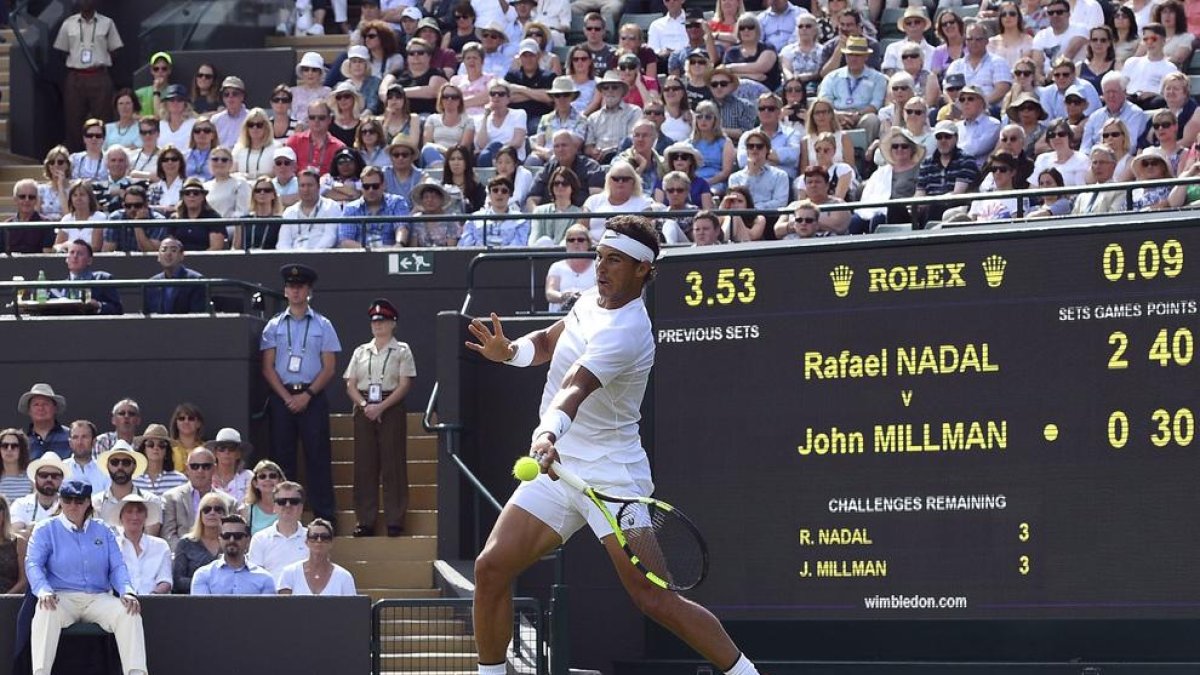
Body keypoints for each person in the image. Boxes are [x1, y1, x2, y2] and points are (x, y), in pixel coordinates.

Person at [466, 215, 764, 675]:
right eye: (601, 257)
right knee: (490, 569)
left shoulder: (628, 331)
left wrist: (546, 434)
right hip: (558, 469)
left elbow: (574, 386)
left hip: (610, 476)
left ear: (643, 270)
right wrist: (509, 352)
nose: (602, 268)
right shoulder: (587, 300)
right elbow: (547, 344)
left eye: (616, 261)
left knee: (653, 598)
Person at [27, 480, 146, 675]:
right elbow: (33, 564)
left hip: (98, 598)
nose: (73, 505)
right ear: (60, 501)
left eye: (79, 500)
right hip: (61, 597)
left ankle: (136, 673)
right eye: (68, 499)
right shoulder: (45, 528)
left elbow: (117, 566)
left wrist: (127, 591)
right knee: (45, 609)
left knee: (129, 611)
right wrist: (43, 590)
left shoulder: (104, 530)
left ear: (88, 503)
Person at [261, 264, 340, 525]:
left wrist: (307, 394)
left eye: (300, 287)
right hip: (282, 397)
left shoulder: (323, 324)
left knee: (318, 457)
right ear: (285, 291)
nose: (295, 291)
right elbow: (267, 366)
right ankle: (282, 517)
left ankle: (325, 517)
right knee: (282, 460)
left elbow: (329, 367)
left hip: (312, 397)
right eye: (291, 287)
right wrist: (286, 397)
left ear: (309, 291)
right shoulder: (273, 325)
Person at [343, 299, 416, 537]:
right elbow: (350, 384)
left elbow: (405, 383)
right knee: (364, 465)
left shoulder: (402, 350)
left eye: (383, 321)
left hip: (390, 404)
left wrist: (382, 406)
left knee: (393, 463)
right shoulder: (360, 351)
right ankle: (365, 520)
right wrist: (364, 405)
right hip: (364, 405)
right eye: (374, 322)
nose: (378, 326)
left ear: (393, 323)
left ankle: (395, 519)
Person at [53, 0, 124, 150]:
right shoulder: (69, 23)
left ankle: (104, 155)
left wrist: (100, 59)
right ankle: (75, 158)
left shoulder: (107, 23)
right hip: (76, 77)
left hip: (99, 75)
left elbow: (116, 50)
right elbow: (61, 51)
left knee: (104, 118)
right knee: (73, 120)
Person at [160, 447, 234, 550]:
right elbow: (168, 536)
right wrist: (188, 554)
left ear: (214, 469)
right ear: (187, 469)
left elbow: (231, 535)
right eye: (194, 466)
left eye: (206, 466)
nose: (200, 471)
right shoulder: (171, 498)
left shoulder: (229, 502)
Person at [818, 36, 887, 145]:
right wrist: (838, 115)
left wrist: (856, 115)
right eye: (850, 55)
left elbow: (875, 105)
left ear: (866, 57)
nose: (853, 58)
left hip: (862, 115)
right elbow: (824, 102)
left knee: (872, 119)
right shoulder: (832, 77)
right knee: (823, 117)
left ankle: (865, 156)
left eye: (858, 55)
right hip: (836, 115)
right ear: (845, 56)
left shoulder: (878, 78)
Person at [190, 515, 276, 595]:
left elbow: (266, 611)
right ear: (220, 539)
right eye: (226, 536)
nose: (232, 540)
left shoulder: (265, 579)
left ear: (248, 540)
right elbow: (201, 610)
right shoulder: (203, 575)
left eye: (238, 536)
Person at [92, 441, 161, 533]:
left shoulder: (151, 501)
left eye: (126, 462)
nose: (120, 467)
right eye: (114, 462)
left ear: (134, 466)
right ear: (107, 465)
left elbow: (150, 540)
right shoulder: (95, 503)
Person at [245, 480, 309, 580]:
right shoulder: (259, 539)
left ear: (301, 507)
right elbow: (255, 578)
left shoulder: (314, 538)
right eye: (281, 501)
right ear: (274, 507)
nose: (288, 505)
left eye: (294, 501)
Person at [277, 518, 356, 595]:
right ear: (306, 542)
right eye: (314, 537)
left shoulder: (344, 577)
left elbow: (351, 607)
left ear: (331, 543)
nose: (319, 540)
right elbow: (283, 606)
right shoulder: (290, 573)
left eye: (324, 537)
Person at [170, 491, 227, 593]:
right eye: (207, 509)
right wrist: (207, 584)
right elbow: (178, 581)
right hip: (192, 601)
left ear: (225, 514)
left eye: (218, 509)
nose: (212, 513)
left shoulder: (231, 542)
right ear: (200, 515)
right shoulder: (185, 543)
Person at [115, 494, 171, 595]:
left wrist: (152, 597)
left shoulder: (160, 546)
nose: (135, 516)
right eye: (129, 511)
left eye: (139, 511)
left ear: (146, 516)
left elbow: (165, 580)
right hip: (120, 602)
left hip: (155, 603)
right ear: (121, 517)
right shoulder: (112, 546)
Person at [52, 239, 122, 315]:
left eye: (80, 254)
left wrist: (98, 305)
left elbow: (118, 309)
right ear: (66, 259)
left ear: (89, 261)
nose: (75, 256)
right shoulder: (57, 289)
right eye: (72, 252)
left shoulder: (103, 279)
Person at [278, 168, 343, 250]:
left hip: (322, 257)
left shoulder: (331, 207)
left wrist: (311, 255)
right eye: (302, 185)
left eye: (310, 185)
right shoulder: (289, 212)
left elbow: (330, 237)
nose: (306, 189)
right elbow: (283, 242)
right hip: (293, 260)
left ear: (318, 187)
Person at [459, 176, 531, 247]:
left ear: (510, 194)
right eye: (495, 190)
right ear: (489, 194)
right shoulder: (474, 219)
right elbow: (465, 246)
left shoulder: (521, 220)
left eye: (504, 191)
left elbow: (519, 246)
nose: (499, 194)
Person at [728, 129, 789, 211]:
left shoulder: (780, 175)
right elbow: (734, 202)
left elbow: (781, 202)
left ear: (767, 150)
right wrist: (751, 173)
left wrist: (756, 208)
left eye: (759, 146)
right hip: (742, 219)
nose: (754, 149)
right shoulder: (735, 178)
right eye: (750, 146)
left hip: (770, 218)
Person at [143, 236, 206, 314]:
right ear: (158, 257)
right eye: (164, 250)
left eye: (173, 250)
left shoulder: (196, 281)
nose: (168, 253)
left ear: (181, 256)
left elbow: (198, 318)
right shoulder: (150, 285)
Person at [544, 225, 595, 310]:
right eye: (571, 240)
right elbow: (550, 293)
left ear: (588, 243)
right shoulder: (557, 266)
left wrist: (583, 297)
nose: (576, 243)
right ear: (566, 244)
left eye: (580, 240)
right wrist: (564, 296)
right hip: (561, 315)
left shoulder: (597, 266)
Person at [131, 423, 188, 497]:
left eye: (161, 445)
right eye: (150, 444)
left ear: (166, 450)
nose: (156, 448)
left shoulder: (180, 480)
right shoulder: (132, 479)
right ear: (144, 449)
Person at [1071, 143, 1128, 214]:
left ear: (1113, 166)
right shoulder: (1084, 195)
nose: (1097, 166)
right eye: (1094, 163)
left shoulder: (1120, 192)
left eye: (1102, 162)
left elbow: (1113, 218)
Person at [1032, 117, 1090, 186]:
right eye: (1052, 135)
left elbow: (1081, 190)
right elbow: (1033, 186)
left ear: (1069, 136)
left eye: (1061, 134)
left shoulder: (1082, 159)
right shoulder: (1042, 159)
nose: (1057, 138)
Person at [19, 385, 71, 461]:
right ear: (29, 410)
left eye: (45, 404)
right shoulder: (21, 440)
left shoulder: (71, 437)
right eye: (36, 404)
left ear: (55, 408)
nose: (40, 408)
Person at [5, 180, 54, 254]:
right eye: (22, 197)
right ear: (15, 199)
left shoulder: (46, 225)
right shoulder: (6, 226)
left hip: (38, 265)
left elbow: (47, 256)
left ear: (37, 200)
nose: (27, 200)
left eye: (31, 197)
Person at [238, 460, 286, 535]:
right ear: (255, 483)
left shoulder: (289, 506)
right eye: (262, 476)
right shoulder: (246, 510)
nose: (267, 479)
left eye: (272, 476)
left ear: (280, 481)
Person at [407, 182, 461, 246]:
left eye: (434, 197)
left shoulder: (450, 220)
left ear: (441, 199)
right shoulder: (416, 220)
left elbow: (451, 248)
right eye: (426, 197)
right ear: (421, 200)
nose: (430, 200)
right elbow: (413, 247)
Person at [208, 429, 253, 503]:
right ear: (215, 453)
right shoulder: (206, 475)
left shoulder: (248, 477)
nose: (227, 452)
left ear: (238, 454)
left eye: (232, 448)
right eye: (222, 448)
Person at [63, 420, 109, 492]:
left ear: (94, 442)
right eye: (75, 437)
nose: (79, 442)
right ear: (70, 442)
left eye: (84, 437)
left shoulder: (105, 471)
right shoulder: (61, 469)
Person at [0, 493, 28, 594]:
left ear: (4, 513)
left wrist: (5, 598)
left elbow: (23, 580)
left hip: (11, 601)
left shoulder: (18, 542)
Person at [168, 402, 206, 470]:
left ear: (199, 423)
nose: (186, 422)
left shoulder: (206, 449)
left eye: (191, 418)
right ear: (176, 423)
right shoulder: (168, 449)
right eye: (181, 418)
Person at [0, 429, 33, 503]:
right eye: (5, 446)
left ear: (21, 449)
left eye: (14, 446)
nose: (9, 449)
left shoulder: (31, 478)